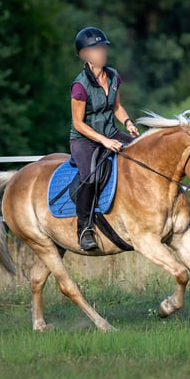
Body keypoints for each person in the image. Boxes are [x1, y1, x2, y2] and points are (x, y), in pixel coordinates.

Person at [70, 26, 139, 250]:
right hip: (84, 139)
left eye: (103, 47)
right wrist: (104, 141)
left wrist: (128, 122)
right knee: (89, 176)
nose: (101, 52)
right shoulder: (80, 86)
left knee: (143, 153)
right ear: (84, 55)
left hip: (111, 132)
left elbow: (117, 107)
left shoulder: (113, 76)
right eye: (96, 49)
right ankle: (85, 229)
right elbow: (78, 123)